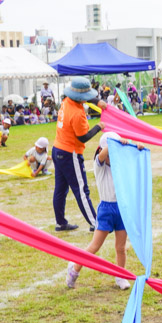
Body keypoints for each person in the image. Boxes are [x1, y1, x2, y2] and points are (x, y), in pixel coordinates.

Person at [66, 132, 141, 290]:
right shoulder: (98, 163)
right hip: (106, 210)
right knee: (94, 246)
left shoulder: (120, 165)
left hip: (121, 209)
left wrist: (137, 148)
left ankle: (121, 276)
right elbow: (103, 153)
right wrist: (113, 144)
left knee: (120, 248)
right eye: (111, 153)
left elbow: (134, 160)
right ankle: (74, 269)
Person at [52, 77, 103, 232]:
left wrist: (97, 101)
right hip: (70, 153)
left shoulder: (66, 101)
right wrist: (99, 127)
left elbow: (83, 97)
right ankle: (96, 223)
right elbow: (83, 137)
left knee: (60, 189)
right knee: (81, 190)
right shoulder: (77, 114)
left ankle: (61, 222)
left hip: (57, 149)